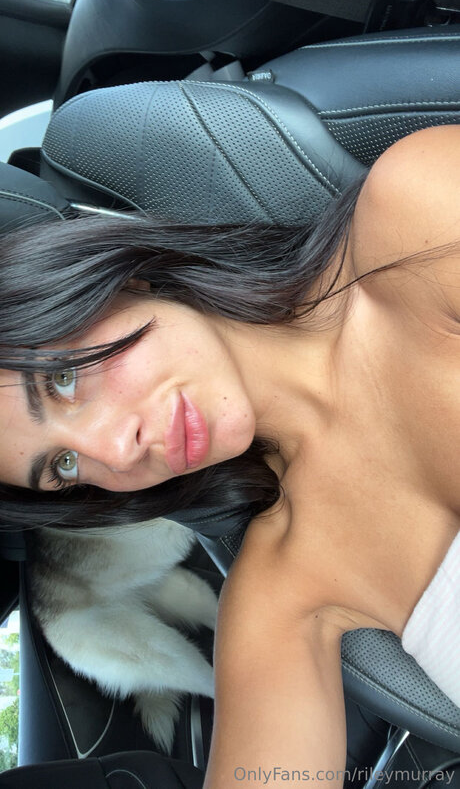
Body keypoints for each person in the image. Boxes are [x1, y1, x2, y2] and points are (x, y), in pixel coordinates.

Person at [0, 125, 459, 787]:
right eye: (64, 469)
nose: (114, 453)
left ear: (116, 278)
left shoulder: (415, 214)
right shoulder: (279, 598)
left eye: (62, 381)